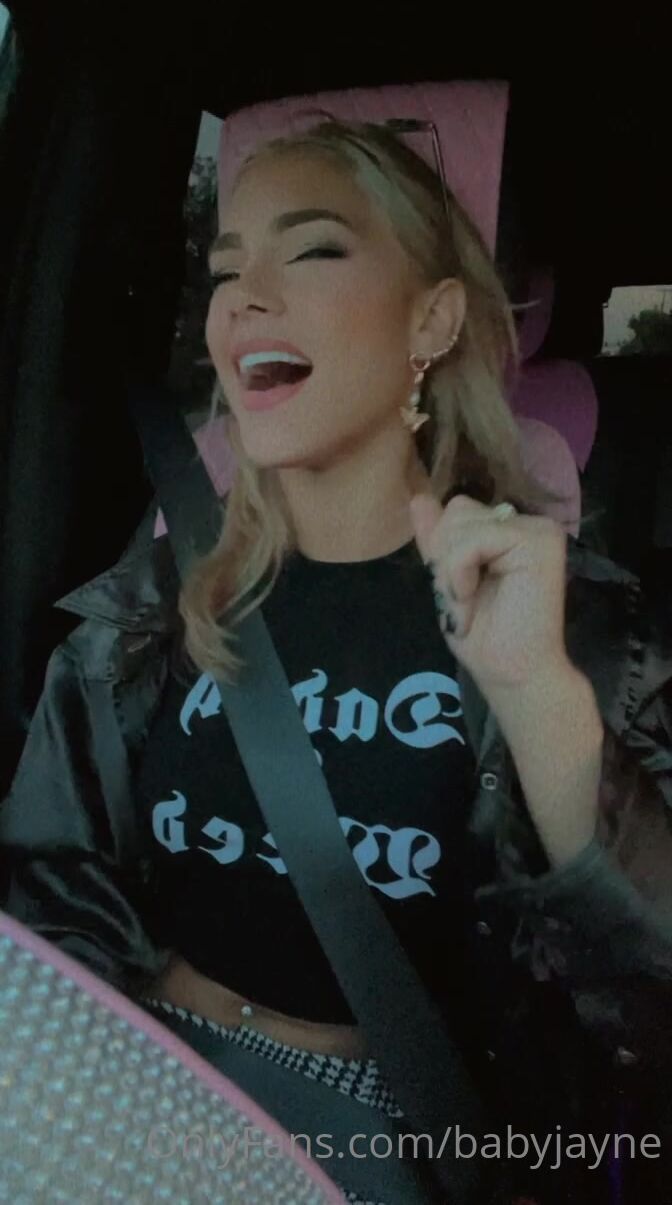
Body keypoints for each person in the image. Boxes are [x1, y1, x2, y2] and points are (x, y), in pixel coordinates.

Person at [1, 119, 671, 1204]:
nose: (244, 299)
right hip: (129, 1068)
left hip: (379, 1142)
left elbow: (645, 1019)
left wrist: (542, 699)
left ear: (432, 318)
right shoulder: (150, 605)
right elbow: (47, 898)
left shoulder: (579, 628)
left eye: (312, 249)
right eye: (227, 270)